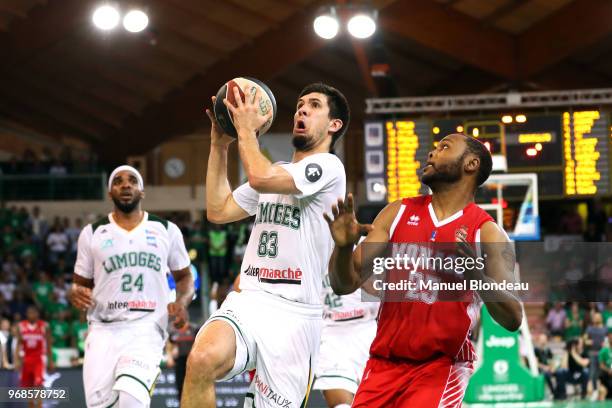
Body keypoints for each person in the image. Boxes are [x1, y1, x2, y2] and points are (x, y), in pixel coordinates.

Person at [324, 133, 523, 407]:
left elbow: (513, 317)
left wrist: (477, 277)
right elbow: (344, 284)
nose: (431, 153)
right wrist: (343, 248)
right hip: (382, 365)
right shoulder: (397, 212)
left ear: (471, 164)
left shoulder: (487, 233)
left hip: (440, 368)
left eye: (444, 148)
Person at [181, 82, 349, 407]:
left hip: (297, 315)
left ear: (334, 124)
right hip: (251, 300)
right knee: (201, 359)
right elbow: (218, 210)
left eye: (314, 105)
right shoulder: (279, 171)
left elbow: (260, 178)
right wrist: (220, 145)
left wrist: (244, 129)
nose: (302, 109)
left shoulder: (329, 168)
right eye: (300, 104)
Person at [70, 165, 194, 408]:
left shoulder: (166, 230)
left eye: (132, 181)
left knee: (131, 400)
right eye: (118, 181)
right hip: (103, 330)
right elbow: (79, 284)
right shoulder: (92, 232)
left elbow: (185, 277)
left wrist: (181, 302)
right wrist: (75, 293)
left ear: (142, 191)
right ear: (110, 193)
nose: (125, 185)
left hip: (146, 328)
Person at [313, 270, 378, 408]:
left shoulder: (374, 248)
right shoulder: (315, 248)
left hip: (370, 329)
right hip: (330, 333)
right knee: (341, 405)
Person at [15, 305, 53, 408]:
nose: (31, 315)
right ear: (26, 314)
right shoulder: (21, 326)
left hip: (39, 359)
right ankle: (31, 405)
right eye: (29, 313)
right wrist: (17, 360)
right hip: (26, 359)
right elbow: (18, 344)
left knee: (38, 385)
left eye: (33, 312)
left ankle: (39, 405)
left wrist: (51, 361)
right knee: (28, 386)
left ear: (37, 314)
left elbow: (49, 344)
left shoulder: (44, 326)